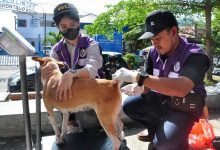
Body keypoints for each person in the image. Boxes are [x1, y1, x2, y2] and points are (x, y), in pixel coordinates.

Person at [112, 10, 210, 150]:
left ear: (174, 32)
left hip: (185, 107)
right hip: (162, 100)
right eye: (151, 39)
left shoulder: (195, 55)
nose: (155, 43)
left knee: (164, 145)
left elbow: (181, 88)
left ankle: (176, 140)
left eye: (158, 38)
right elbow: (148, 81)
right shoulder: (153, 52)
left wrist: (138, 77)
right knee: (130, 105)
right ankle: (156, 131)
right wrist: (139, 85)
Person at [41, 3, 103, 133]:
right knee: (73, 137)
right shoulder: (56, 50)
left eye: (72, 24)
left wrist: (71, 73)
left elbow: (93, 67)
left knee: (96, 130)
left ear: (79, 23)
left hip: (94, 95)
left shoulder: (91, 44)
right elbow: (52, 73)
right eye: (63, 26)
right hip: (69, 97)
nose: (69, 29)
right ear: (58, 27)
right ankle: (70, 124)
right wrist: (44, 73)